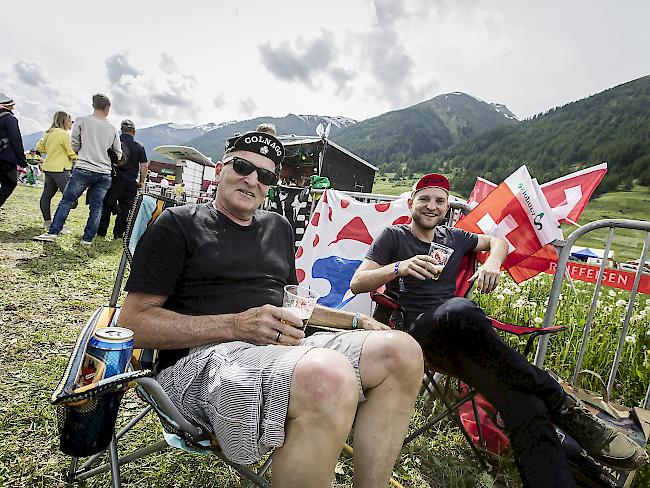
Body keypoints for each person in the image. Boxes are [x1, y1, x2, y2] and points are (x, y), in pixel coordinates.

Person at [118, 130, 423, 488]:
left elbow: (288, 301)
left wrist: (355, 320)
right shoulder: (178, 224)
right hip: (199, 363)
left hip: (279, 350)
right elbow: (133, 324)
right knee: (328, 377)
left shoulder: (277, 227)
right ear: (219, 169)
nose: (252, 180)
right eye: (243, 166)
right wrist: (237, 325)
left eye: (265, 175)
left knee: (403, 351)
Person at [350, 173, 648, 488]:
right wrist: (399, 267)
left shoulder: (455, 237)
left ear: (447, 207)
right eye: (424, 198)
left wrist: (492, 263)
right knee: (460, 308)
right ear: (411, 202)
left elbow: (498, 240)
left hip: (462, 340)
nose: (431, 206)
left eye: (439, 200)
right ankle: (558, 398)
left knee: (524, 403)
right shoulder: (394, 237)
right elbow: (358, 281)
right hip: (415, 334)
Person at [34, 94, 121, 246]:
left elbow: (74, 144)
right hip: (104, 172)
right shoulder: (113, 129)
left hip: (84, 167)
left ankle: (53, 232)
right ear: (107, 108)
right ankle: (87, 240)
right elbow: (118, 154)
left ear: (93, 105)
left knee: (67, 201)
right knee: (97, 207)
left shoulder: (81, 121)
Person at [97, 119, 148, 239]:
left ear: (121, 130)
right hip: (130, 182)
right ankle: (118, 234)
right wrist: (141, 181)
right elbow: (144, 166)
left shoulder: (113, 144)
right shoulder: (139, 147)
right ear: (134, 132)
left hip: (113, 179)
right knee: (125, 208)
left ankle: (101, 232)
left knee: (107, 206)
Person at [36, 111, 77, 229]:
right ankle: (59, 225)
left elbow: (40, 147)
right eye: (70, 121)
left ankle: (47, 222)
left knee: (47, 195)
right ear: (64, 121)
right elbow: (71, 152)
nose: (71, 124)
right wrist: (80, 160)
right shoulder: (64, 134)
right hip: (61, 170)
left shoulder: (49, 133)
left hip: (48, 169)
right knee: (70, 199)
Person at [0, 93, 28, 207]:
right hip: (5, 158)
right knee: (9, 184)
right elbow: (16, 139)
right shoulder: (9, 119)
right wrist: (22, 160)